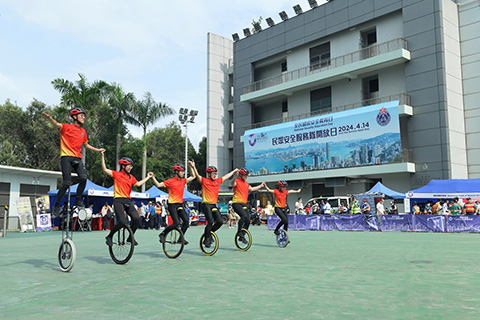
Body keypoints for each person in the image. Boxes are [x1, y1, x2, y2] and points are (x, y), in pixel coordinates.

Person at [42, 108, 105, 217]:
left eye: (84, 116)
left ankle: (77, 201)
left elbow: (86, 145)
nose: (84, 117)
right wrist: (50, 118)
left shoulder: (83, 132)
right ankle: (56, 205)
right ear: (75, 117)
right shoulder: (67, 127)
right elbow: (57, 124)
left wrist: (97, 150)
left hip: (77, 158)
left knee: (83, 178)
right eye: (81, 115)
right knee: (66, 183)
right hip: (66, 157)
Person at [102, 153, 152, 246]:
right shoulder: (116, 174)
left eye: (131, 166)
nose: (130, 168)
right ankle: (109, 236)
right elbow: (104, 169)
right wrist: (102, 156)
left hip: (127, 201)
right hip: (118, 200)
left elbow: (138, 184)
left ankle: (130, 237)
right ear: (123, 166)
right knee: (121, 221)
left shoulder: (131, 177)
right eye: (129, 166)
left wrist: (148, 177)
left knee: (136, 218)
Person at [189, 161, 238, 248]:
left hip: (214, 205)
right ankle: (206, 239)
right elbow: (197, 176)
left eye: (216, 173)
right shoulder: (204, 181)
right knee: (210, 221)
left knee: (220, 221)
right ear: (208, 174)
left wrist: (234, 171)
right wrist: (193, 167)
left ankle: (209, 233)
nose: (215, 175)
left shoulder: (217, 181)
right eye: (213, 173)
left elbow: (226, 176)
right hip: (206, 205)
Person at [153, 163, 195, 245]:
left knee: (186, 221)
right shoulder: (170, 181)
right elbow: (158, 185)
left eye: (183, 171)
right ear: (176, 172)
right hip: (172, 205)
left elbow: (193, 176)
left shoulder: (183, 181)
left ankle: (180, 238)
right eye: (182, 171)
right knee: (176, 223)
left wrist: (191, 166)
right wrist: (153, 177)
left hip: (180, 204)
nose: (183, 173)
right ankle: (162, 234)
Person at [230, 168, 265, 244]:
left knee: (248, 220)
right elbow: (232, 183)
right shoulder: (237, 181)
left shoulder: (246, 183)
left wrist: (261, 185)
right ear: (241, 175)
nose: (246, 177)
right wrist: (235, 176)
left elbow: (252, 189)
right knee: (244, 216)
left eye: (247, 175)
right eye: (245, 175)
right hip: (236, 203)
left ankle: (242, 236)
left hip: (244, 204)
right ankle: (239, 231)